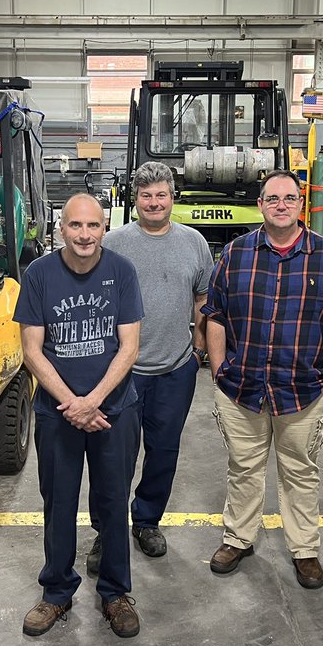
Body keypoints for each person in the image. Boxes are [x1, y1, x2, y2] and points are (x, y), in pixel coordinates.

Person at [203, 170, 323, 589]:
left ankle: (304, 549)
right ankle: (238, 538)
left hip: (303, 390)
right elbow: (214, 315)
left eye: (289, 198)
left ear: (301, 204)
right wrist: (219, 371)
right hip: (242, 388)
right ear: (260, 205)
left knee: (301, 473)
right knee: (243, 468)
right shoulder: (235, 254)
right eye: (272, 198)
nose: (281, 205)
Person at [13, 193, 145, 638]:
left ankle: (115, 592)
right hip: (58, 414)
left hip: (114, 410)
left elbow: (129, 346)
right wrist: (73, 403)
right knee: (59, 503)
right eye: (75, 225)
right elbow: (32, 350)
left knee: (113, 502)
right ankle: (56, 592)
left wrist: (93, 401)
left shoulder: (122, 271)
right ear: (61, 228)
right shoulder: (39, 274)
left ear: (104, 228)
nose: (85, 235)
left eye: (93, 226)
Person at [80, 161, 213, 572]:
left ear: (173, 197)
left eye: (161, 195)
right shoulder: (114, 243)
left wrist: (199, 350)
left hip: (175, 370)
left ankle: (147, 521)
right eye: (145, 196)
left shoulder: (194, 242)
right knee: (112, 457)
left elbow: (203, 298)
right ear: (134, 199)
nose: (154, 203)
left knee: (163, 452)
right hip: (122, 373)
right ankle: (106, 530)